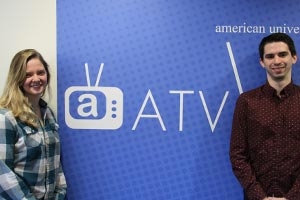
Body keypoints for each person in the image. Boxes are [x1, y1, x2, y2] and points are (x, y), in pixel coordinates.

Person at [230, 32, 300, 200]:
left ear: (294, 58)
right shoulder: (246, 102)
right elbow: (237, 154)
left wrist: (293, 197)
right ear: (262, 62)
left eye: (282, 54)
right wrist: (259, 196)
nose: (276, 61)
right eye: (270, 56)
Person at [0, 49, 67, 199]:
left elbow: (56, 161)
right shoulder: (6, 117)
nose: (36, 78)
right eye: (28, 75)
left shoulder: (48, 114)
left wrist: (60, 192)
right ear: (17, 78)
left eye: (40, 72)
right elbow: (2, 173)